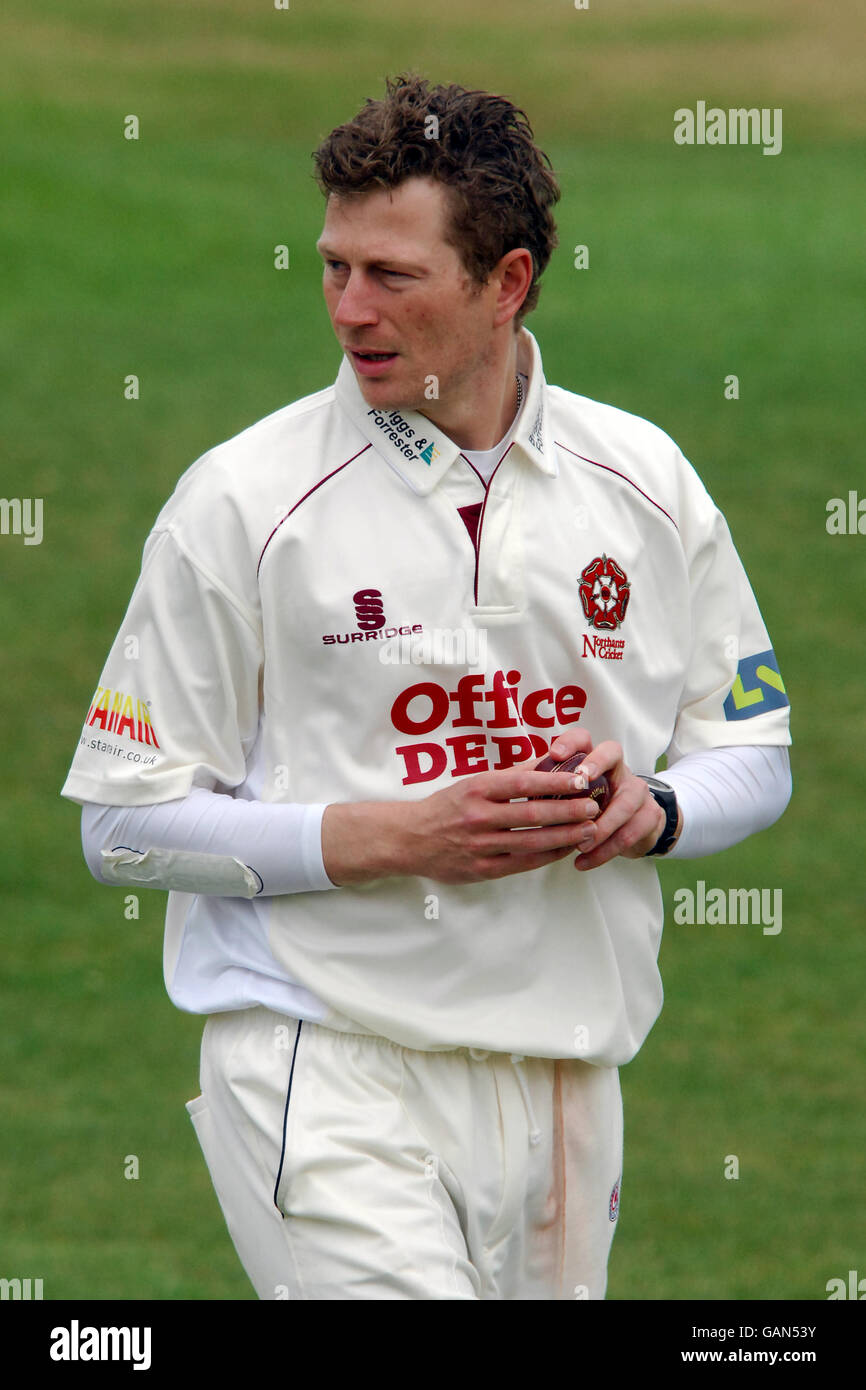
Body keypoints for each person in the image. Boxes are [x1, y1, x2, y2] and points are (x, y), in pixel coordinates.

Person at [61, 75, 792, 1301]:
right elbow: (122, 829)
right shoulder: (242, 502)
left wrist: (652, 811)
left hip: (568, 1076)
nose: (350, 309)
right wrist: (396, 836)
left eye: (392, 275)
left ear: (505, 282)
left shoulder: (648, 483)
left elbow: (750, 753)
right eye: (334, 266)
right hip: (328, 1061)